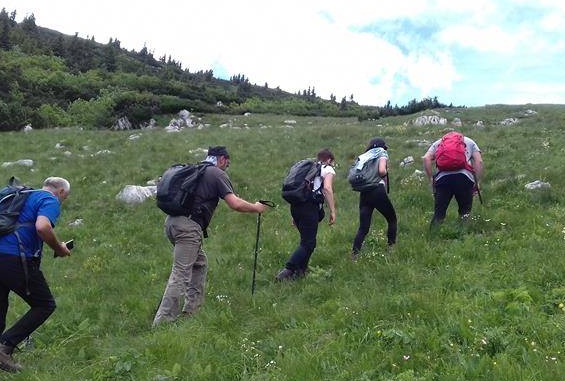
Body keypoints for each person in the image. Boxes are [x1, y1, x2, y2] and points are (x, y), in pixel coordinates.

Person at [153, 146, 270, 326]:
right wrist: (256, 208)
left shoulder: (196, 170)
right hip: (188, 228)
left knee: (199, 264)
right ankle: (163, 323)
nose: (226, 167)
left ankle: (192, 312)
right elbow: (235, 204)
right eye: (227, 164)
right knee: (181, 273)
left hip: (172, 223)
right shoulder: (216, 173)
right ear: (222, 159)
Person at [0, 177, 71, 380]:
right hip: (12, 259)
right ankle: (2, 349)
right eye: (65, 197)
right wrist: (59, 248)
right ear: (60, 192)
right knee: (44, 305)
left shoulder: (22, 195)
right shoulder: (48, 199)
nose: (63, 201)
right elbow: (42, 227)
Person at [276, 148, 337, 281]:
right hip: (309, 208)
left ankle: (301, 271)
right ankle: (287, 271)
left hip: (296, 207)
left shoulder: (310, 169)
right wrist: (332, 210)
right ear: (329, 160)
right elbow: (327, 188)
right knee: (308, 243)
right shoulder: (327, 168)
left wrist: (295, 216)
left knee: (307, 242)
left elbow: (302, 190)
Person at [423, 132, 484, 226]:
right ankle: (464, 235)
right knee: (465, 212)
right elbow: (479, 161)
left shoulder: (438, 143)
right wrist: (476, 182)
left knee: (439, 213)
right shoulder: (470, 142)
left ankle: (433, 236)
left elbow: (426, 159)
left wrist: (431, 179)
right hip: (464, 178)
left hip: (442, 179)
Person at [351, 137, 397, 260]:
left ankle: (355, 255)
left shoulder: (364, 156)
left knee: (363, 227)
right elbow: (382, 171)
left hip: (364, 192)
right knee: (392, 219)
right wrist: (386, 171)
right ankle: (391, 249)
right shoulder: (382, 153)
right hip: (377, 189)